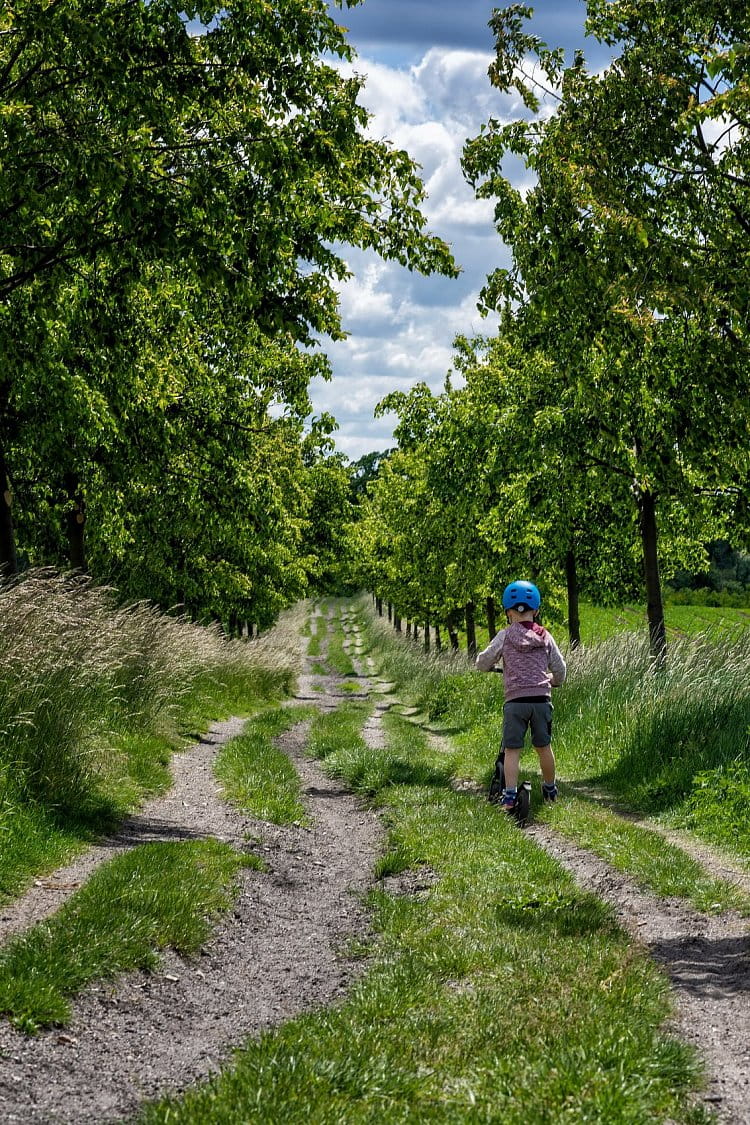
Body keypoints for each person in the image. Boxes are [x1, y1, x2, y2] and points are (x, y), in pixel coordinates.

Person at [475, 580, 567, 813]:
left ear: (508, 612)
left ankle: (509, 796)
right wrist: (553, 681)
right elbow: (560, 669)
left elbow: (483, 661)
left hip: (515, 702)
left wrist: (486, 667)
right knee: (543, 746)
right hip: (541, 700)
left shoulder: (504, 636)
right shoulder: (545, 636)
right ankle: (550, 789)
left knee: (512, 750)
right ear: (536, 611)